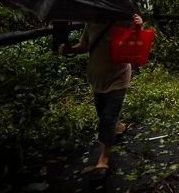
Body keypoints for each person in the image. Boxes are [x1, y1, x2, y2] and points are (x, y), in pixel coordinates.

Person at [59, 13, 143, 178]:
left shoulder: (124, 20)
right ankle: (118, 126)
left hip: (119, 77)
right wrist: (69, 48)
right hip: (97, 78)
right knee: (103, 113)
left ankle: (103, 158)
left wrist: (139, 27)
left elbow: (137, 42)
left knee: (107, 118)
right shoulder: (90, 22)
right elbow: (84, 45)